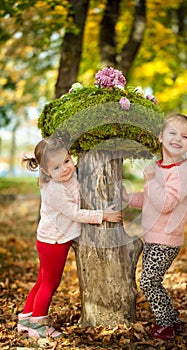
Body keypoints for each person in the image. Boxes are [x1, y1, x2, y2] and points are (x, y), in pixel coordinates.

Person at [17, 136, 122, 338]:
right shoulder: (53, 189)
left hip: (54, 238)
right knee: (50, 283)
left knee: (42, 280)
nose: (65, 169)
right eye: (57, 167)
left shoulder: (66, 176)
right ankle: (38, 325)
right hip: (53, 241)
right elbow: (75, 213)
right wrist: (103, 215)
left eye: (67, 161)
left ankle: (25, 318)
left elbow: (76, 183)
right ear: (46, 171)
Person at [123, 113, 187, 340]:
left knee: (149, 281)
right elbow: (150, 199)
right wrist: (127, 198)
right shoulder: (159, 167)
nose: (177, 139)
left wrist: (150, 178)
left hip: (165, 238)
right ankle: (172, 321)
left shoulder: (181, 173)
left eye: (184, 136)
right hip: (155, 236)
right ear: (160, 136)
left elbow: (165, 203)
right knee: (151, 280)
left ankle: (166, 323)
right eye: (172, 133)